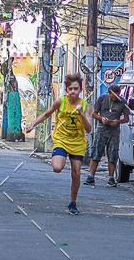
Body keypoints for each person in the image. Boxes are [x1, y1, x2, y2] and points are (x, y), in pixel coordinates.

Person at [26, 73, 92, 215]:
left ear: (80, 90)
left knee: (76, 173)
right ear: (67, 89)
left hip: (77, 142)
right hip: (61, 139)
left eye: (76, 88)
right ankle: (57, 156)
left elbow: (88, 129)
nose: (73, 91)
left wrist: (81, 114)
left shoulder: (85, 105)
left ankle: (72, 203)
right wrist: (33, 124)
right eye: (70, 89)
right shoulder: (60, 102)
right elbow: (46, 114)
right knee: (57, 168)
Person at [84, 84, 130, 187]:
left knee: (112, 155)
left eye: (117, 95)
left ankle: (111, 178)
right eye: (113, 95)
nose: (114, 97)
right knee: (96, 152)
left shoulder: (122, 102)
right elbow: (94, 113)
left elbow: (126, 119)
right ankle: (91, 176)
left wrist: (117, 121)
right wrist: (101, 119)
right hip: (102, 129)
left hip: (114, 131)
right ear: (109, 93)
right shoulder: (102, 99)